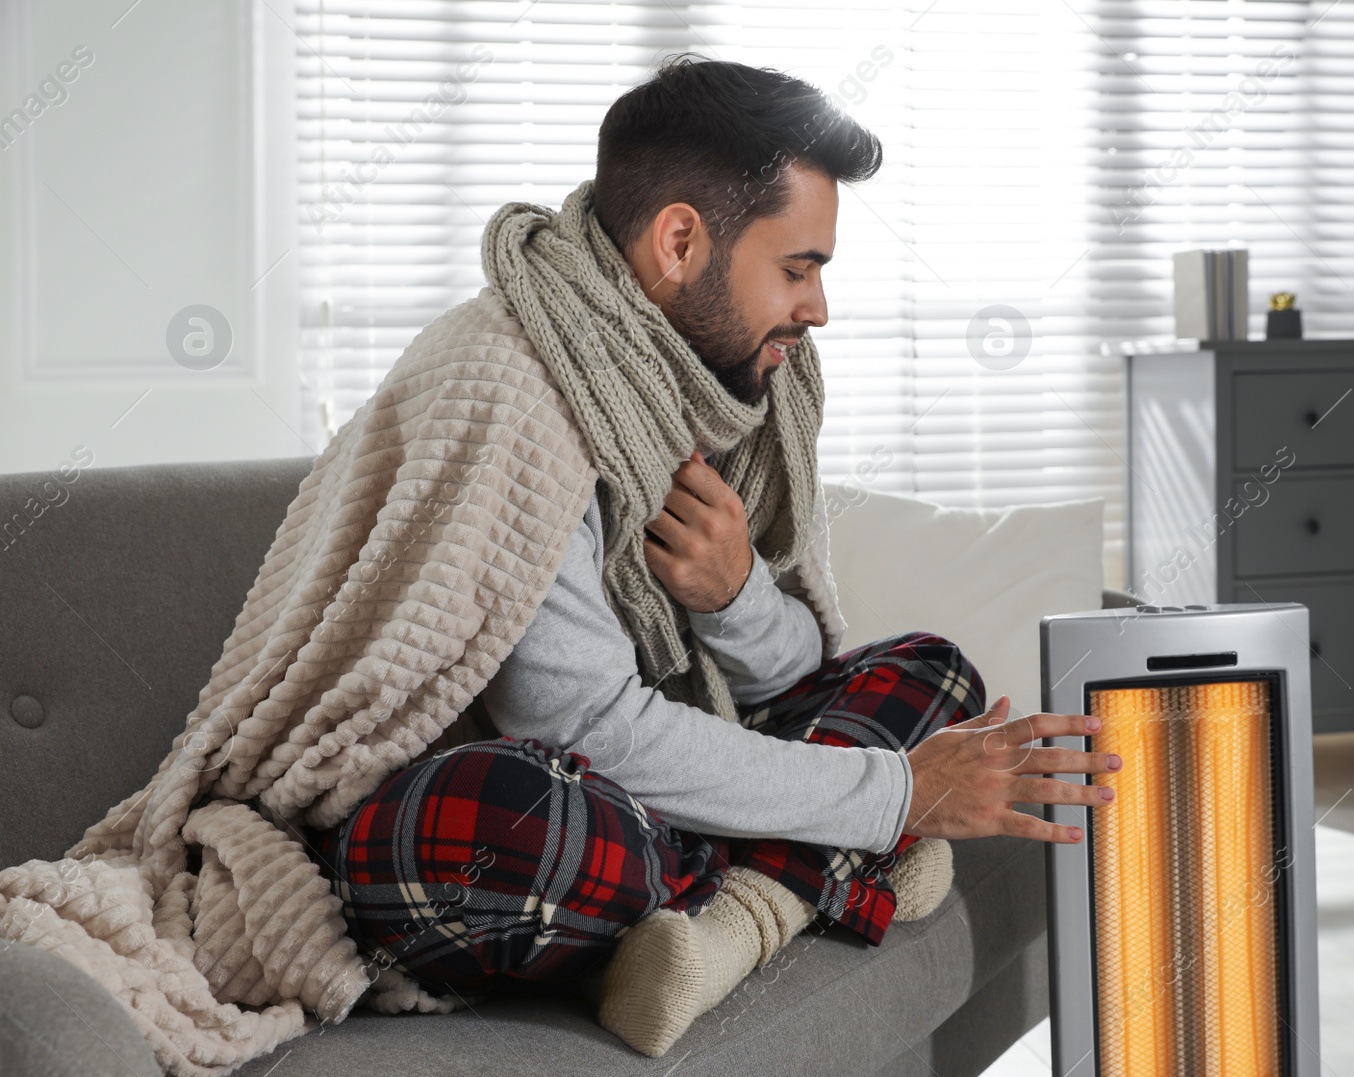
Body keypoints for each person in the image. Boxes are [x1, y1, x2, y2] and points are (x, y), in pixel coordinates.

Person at [308, 54, 1121, 1058]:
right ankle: (808, 868)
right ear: (682, 240)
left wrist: (734, 597)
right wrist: (900, 798)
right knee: (519, 820)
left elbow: (797, 677)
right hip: (503, 809)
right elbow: (579, 725)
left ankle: (730, 924)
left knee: (931, 672)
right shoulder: (513, 388)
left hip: (665, 806)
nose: (816, 308)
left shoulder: (728, 390)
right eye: (797, 268)